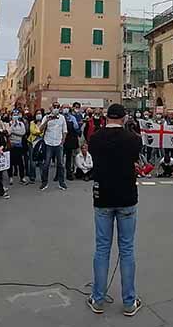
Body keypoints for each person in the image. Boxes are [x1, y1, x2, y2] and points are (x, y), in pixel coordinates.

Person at [87, 104, 142, 317]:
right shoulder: (133, 139)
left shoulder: (95, 138)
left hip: (102, 197)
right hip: (127, 196)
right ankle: (129, 301)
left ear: (106, 117)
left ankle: (98, 299)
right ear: (124, 117)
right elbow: (135, 156)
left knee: (102, 248)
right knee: (126, 249)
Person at [39, 104, 68, 191]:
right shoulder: (46, 117)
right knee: (46, 164)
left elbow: (65, 131)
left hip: (58, 143)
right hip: (48, 143)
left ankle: (61, 182)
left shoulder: (62, 118)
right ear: (51, 108)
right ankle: (44, 182)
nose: (55, 108)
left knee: (61, 164)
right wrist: (47, 121)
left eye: (57, 107)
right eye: (54, 107)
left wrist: (62, 141)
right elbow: (40, 129)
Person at [62, 105, 80, 181]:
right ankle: (58, 174)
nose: (66, 109)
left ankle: (68, 174)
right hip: (60, 139)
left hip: (69, 140)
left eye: (67, 108)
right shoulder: (60, 117)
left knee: (69, 158)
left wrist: (73, 121)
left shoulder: (72, 117)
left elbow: (76, 127)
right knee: (59, 158)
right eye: (64, 108)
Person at [9, 111, 27, 184]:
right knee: (10, 162)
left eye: (16, 115)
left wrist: (14, 132)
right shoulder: (9, 123)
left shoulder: (21, 124)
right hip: (11, 145)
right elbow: (9, 132)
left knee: (20, 162)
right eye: (14, 115)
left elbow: (23, 133)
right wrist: (13, 125)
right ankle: (10, 177)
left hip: (19, 144)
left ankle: (22, 177)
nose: (15, 116)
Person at [27, 110, 44, 184]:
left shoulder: (44, 123)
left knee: (41, 161)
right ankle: (32, 177)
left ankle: (43, 177)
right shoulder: (32, 122)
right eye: (37, 113)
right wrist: (40, 132)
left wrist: (39, 132)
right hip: (32, 143)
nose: (38, 115)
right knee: (32, 161)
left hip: (41, 143)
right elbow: (32, 131)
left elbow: (44, 132)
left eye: (40, 113)